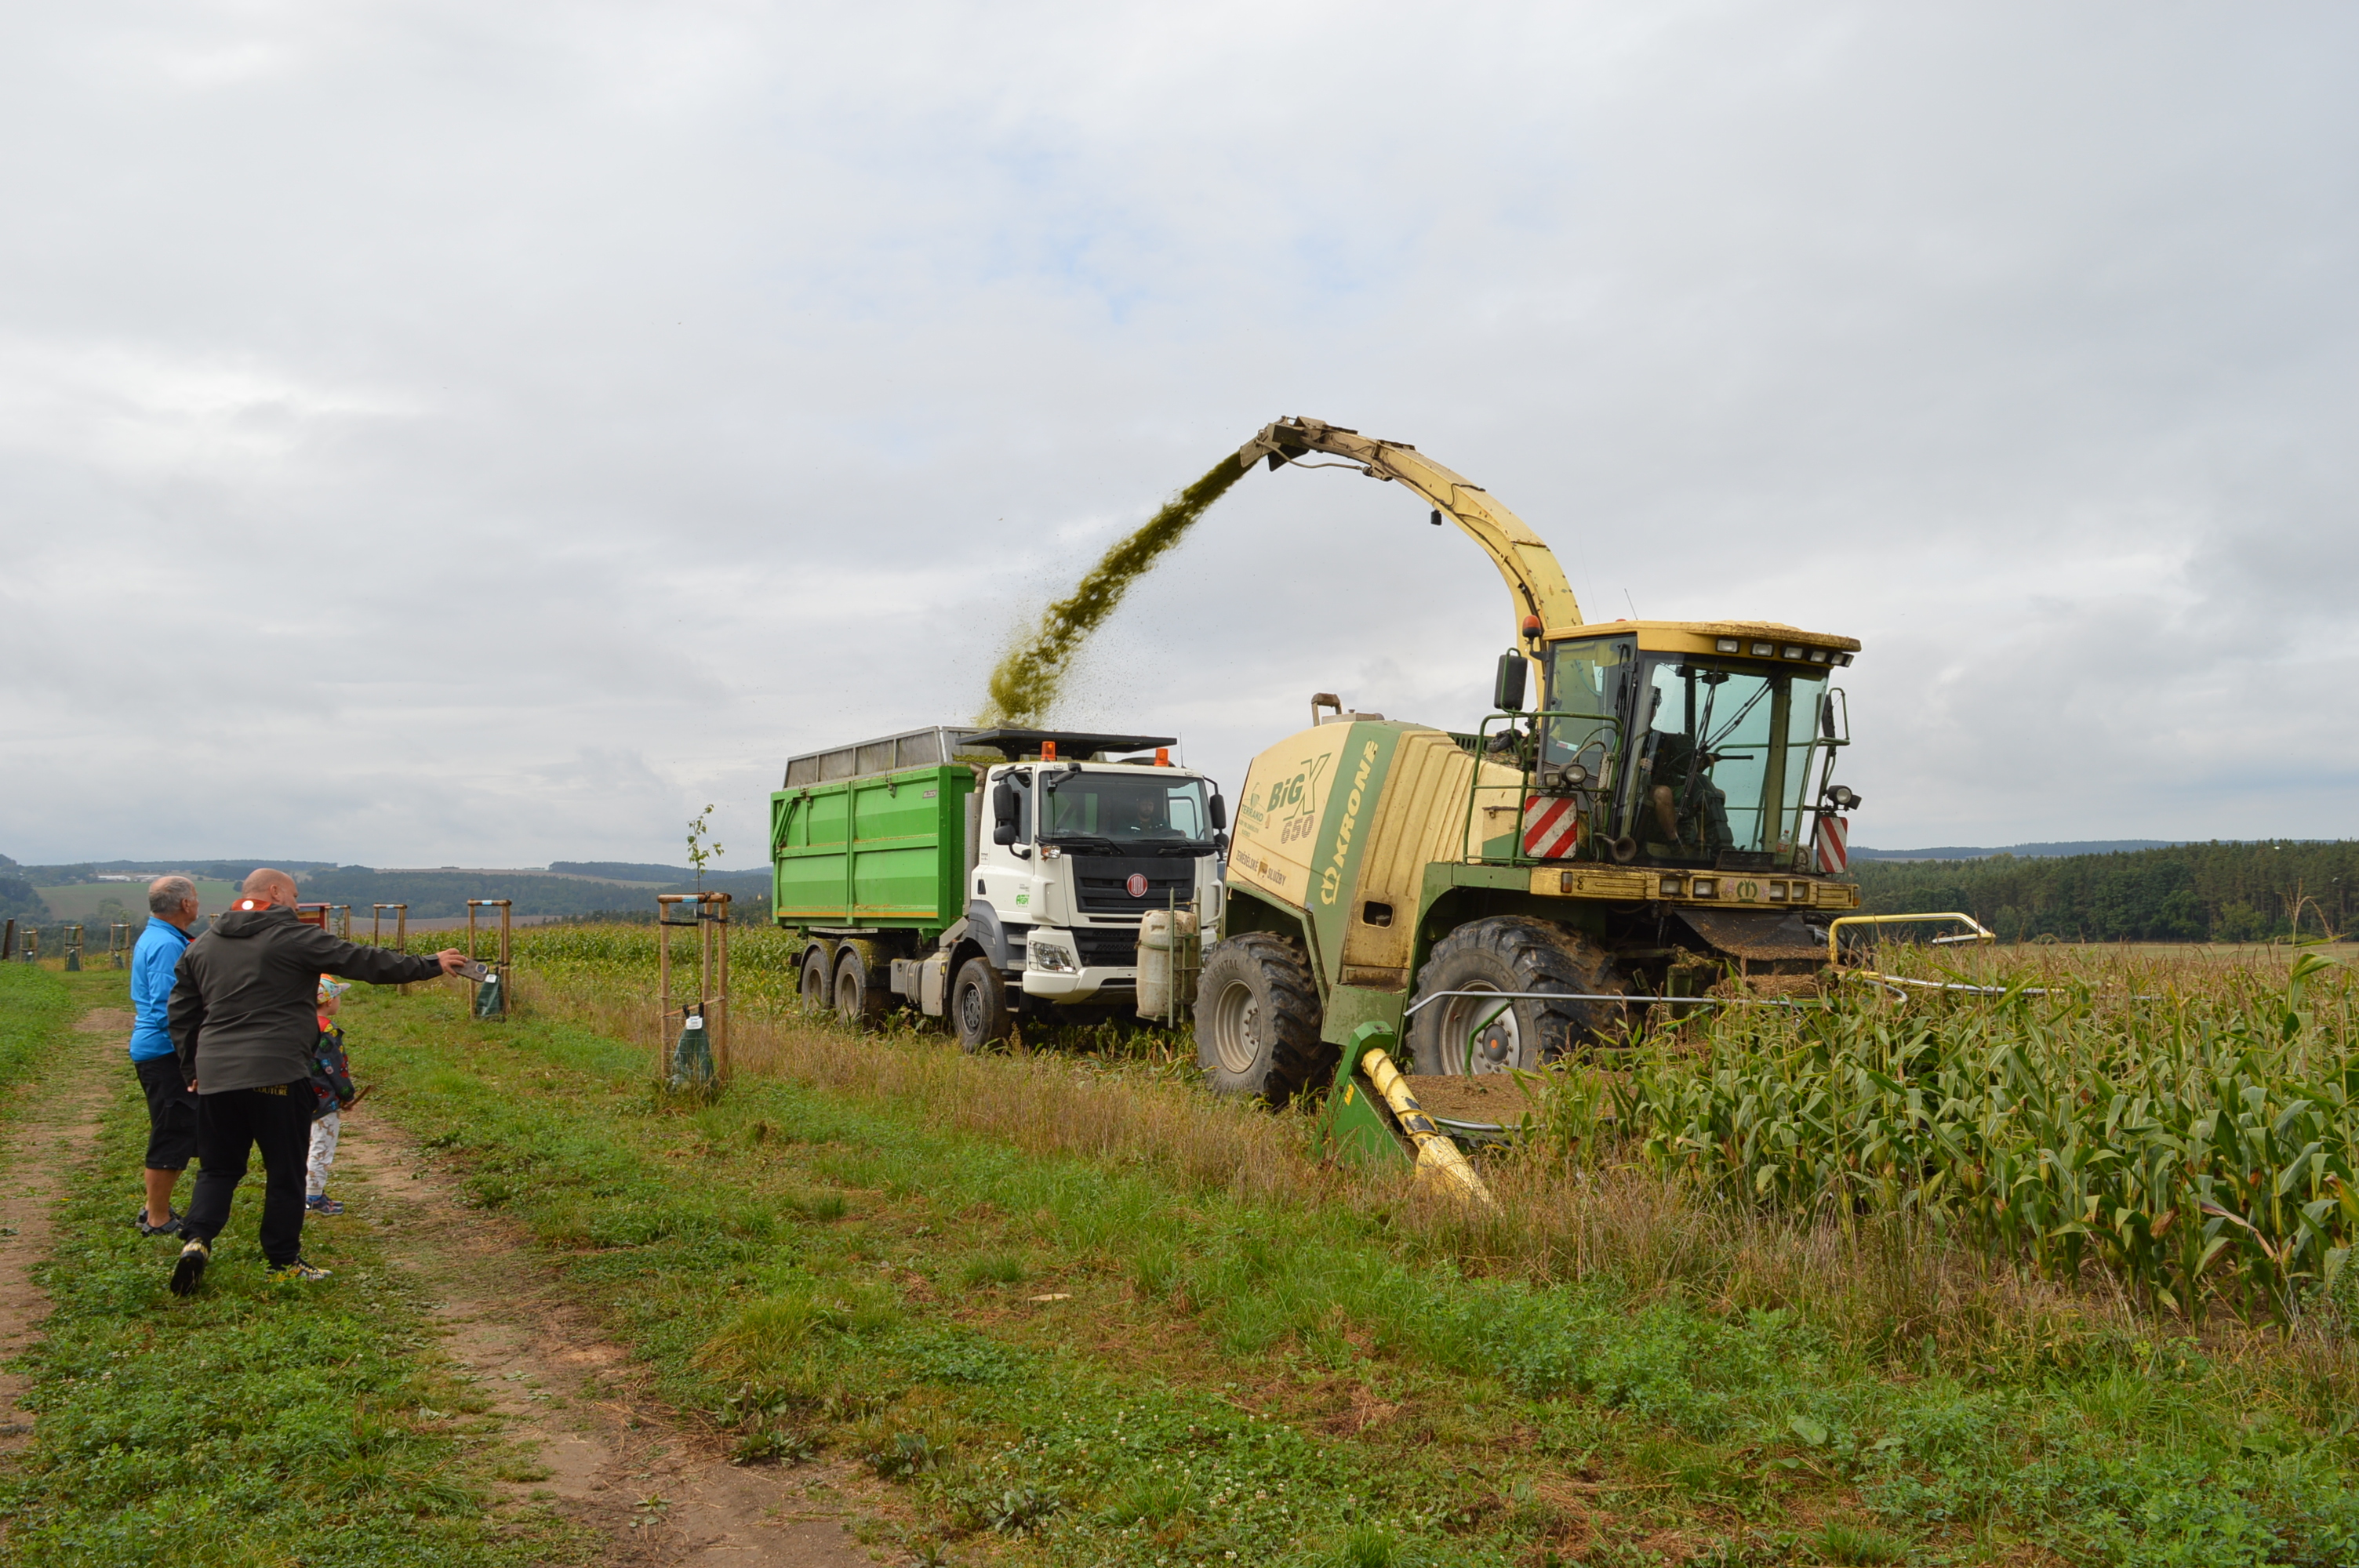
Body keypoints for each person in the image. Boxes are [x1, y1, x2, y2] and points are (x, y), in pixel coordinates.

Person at [166, 867, 465, 1294]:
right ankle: (283, 1261)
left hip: (217, 1075)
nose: (296, 902)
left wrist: (191, 1069)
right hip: (278, 1073)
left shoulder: (204, 945)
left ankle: (197, 1241)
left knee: (217, 1168)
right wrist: (430, 964)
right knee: (285, 1171)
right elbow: (363, 961)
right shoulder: (291, 935)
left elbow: (181, 1011)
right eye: (294, 894)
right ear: (274, 892)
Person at [127, 876, 203, 1236]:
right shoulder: (166, 946)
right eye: (196, 898)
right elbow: (167, 1009)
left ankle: (152, 1207)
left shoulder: (164, 937)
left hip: (161, 1049)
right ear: (185, 905)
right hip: (165, 1051)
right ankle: (157, 1218)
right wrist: (191, 1056)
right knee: (172, 1129)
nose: (199, 904)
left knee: (177, 1125)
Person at [306, 979, 355, 1215]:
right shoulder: (327, 1031)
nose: (339, 1001)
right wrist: (347, 1094)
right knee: (322, 1147)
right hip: (324, 1100)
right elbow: (334, 1067)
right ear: (327, 1001)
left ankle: (308, 1190)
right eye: (337, 996)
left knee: (305, 1145)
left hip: (300, 1098)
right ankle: (313, 1196)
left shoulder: (299, 1025)